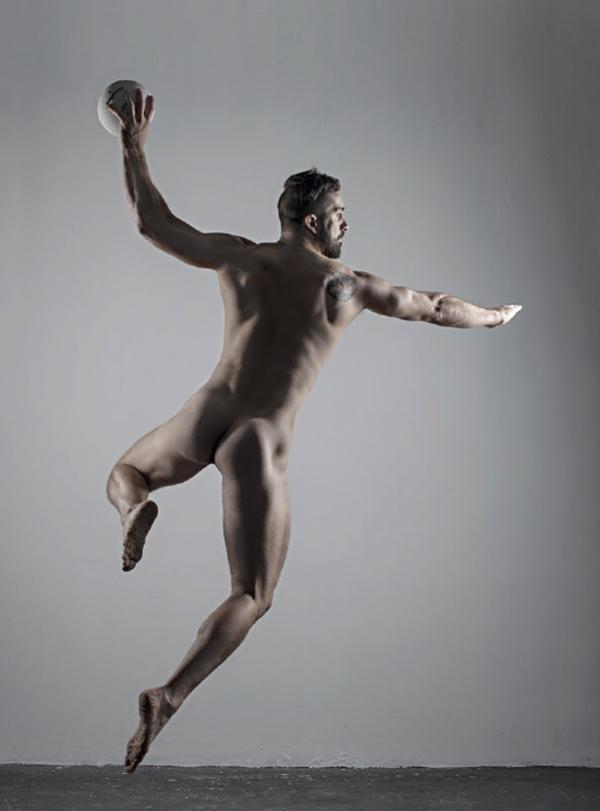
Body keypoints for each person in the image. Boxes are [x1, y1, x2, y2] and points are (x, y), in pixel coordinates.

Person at [105, 89, 522, 774]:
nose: (346, 223)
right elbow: (433, 305)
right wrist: (494, 316)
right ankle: (168, 695)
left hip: (209, 408)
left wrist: (131, 145)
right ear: (311, 219)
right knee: (252, 593)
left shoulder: (241, 258)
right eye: (339, 213)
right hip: (259, 438)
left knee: (127, 472)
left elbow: (154, 223)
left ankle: (132, 511)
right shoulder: (345, 286)